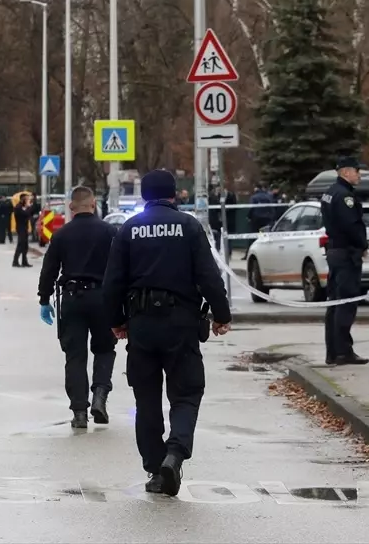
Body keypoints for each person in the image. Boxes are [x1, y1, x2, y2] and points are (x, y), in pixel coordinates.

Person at [102, 169, 232, 497]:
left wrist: (117, 320)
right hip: (182, 324)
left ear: (144, 196)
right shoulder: (188, 226)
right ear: (174, 194)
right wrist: (221, 314)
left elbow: (113, 282)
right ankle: (175, 455)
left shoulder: (130, 228)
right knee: (186, 393)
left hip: (142, 326)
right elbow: (209, 276)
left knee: (146, 399)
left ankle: (154, 468)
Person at [39, 186, 118, 429]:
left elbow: (49, 269)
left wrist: (44, 299)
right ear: (94, 205)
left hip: (72, 298)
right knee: (105, 349)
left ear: (71, 207)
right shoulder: (110, 232)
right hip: (103, 298)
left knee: (75, 356)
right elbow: (120, 269)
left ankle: (80, 413)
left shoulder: (61, 234)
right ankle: (100, 396)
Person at [320, 157, 369, 366]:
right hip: (346, 253)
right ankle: (342, 351)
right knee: (346, 303)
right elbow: (352, 225)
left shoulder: (330, 193)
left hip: (335, 252)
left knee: (335, 302)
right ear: (346, 172)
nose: (359, 175)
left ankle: (333, 351)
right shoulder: (344, 196)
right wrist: (362, 245)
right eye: (357, 171)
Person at [12, 193, 34, 268]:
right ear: (22, 199)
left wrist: (29, 207)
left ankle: (24, 261)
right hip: (20, 228)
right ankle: (15, 261)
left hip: (25, 228)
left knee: (25, 246)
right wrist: (29, 207)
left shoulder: (24, 207)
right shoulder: (18, 207)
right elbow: (26, 214)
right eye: (26, 199)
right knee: (20, 244)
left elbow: (30, 213)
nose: (28, 200)